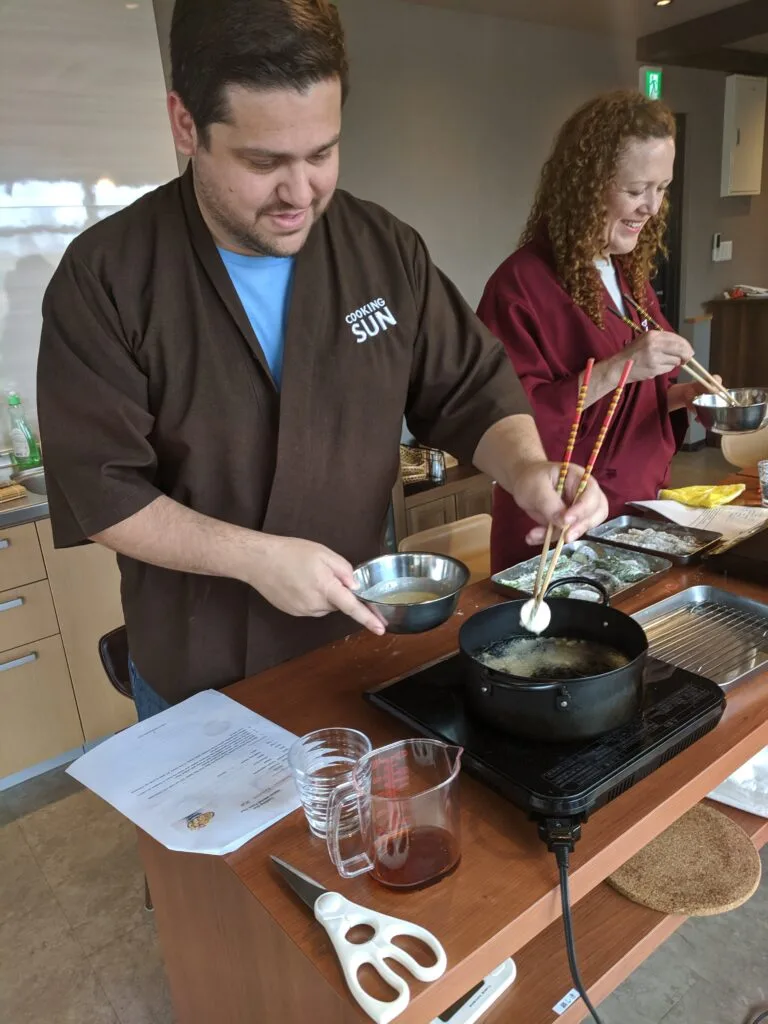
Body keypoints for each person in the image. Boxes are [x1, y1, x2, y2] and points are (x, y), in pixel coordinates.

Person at [37, 0, 607, 721]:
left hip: (355, 646)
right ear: (186, 125)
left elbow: (470, 390)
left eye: (322, 153)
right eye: (264, 162)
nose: (300, 194)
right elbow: (104, 492)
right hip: (195, 676)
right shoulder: (108, 276)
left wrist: (530, 471)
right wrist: (256, 557)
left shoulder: (382, 249)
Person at [478, 90, 711, 574]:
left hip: (633, 512)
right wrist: (623, 365)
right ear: (585, 185)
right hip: (558, 522)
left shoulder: (626, 273)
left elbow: (639, 398)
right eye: (635, 189)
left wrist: (687, 395)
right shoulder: (520, 285)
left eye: (662, 188)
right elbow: (506, 419)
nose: (651, 207)